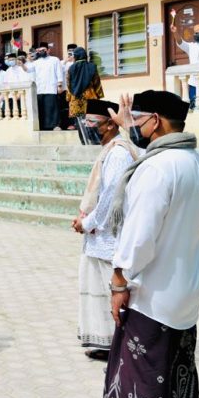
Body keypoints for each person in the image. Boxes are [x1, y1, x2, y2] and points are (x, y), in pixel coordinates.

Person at [103, 91, 199, 398]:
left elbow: (139, 238)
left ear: (156, 121)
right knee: (177, 377)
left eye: (137, 119)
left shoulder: (158, 167)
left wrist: (119, 282)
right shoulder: (195, 159)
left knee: (143, 384)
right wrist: (125, 127)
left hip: (152, 298)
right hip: (184, 293)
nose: (134, 125)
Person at [71, 99, 137, 362]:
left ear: (110, 124)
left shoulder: (119, 152)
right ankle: (106, 342)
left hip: (108, 236)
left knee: (112, 291)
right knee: (97, 292)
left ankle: (119, 346)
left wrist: (86, 223)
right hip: (99, 237)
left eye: (92, 123)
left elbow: (110, 198)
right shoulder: (109, 150)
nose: (87, 128)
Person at [65, 47, 104, 124]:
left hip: (75, 98)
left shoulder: (71, 68)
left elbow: (68, 84)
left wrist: (68, 97)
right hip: (90, 97)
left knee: (79, 124)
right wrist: (99, 95)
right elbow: (97, 82)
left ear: (76, 56)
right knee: (91, 122)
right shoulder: (92, 66)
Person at [32, 43, 65, 130]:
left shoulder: (55, 60)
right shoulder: (36, 62)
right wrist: (22, 64)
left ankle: (55, 125)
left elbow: (59, 73)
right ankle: (43, 126)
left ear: (48, 50)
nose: (41, 52)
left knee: (52, 108)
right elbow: (28, 70)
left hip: (51, 88)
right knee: (42, 108)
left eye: (43, 50)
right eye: (39, 51)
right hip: (40, 89)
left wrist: (60, 85)